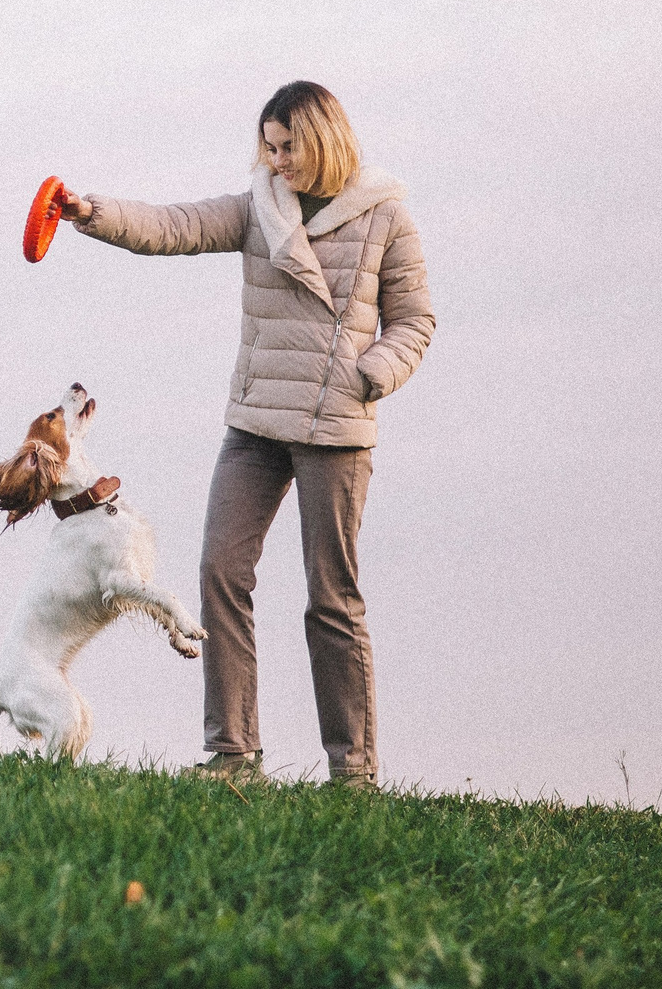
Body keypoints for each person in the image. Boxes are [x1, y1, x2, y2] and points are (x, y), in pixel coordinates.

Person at [52, 81, 434, 789]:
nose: (276, 159)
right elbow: (173, 226)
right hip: (256, 421)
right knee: (221, 571)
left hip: (336, 427)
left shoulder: (387, 219)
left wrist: (370, 373)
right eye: (269, 145)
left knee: (332, 596)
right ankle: (234, 758)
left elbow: (415, 320)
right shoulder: (260, 209)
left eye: (288, 146)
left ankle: (353, 771)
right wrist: (90, 212)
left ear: (322, 139)